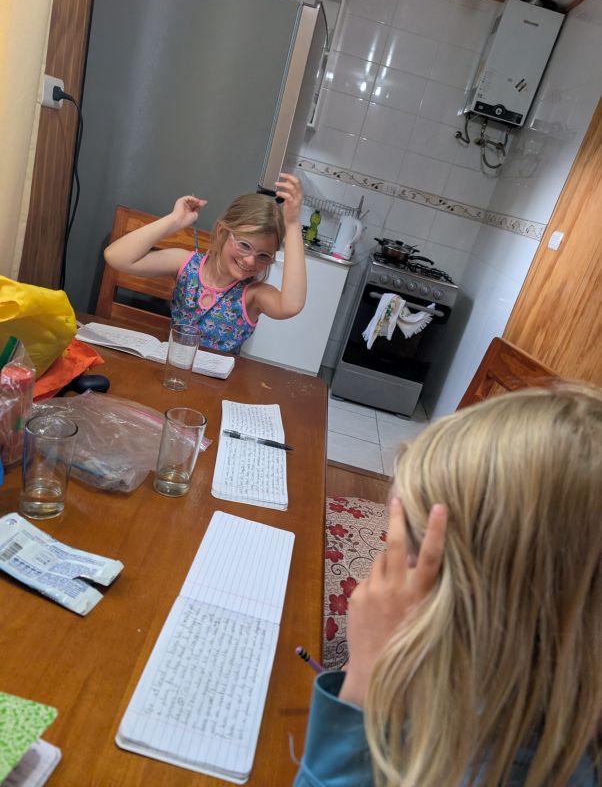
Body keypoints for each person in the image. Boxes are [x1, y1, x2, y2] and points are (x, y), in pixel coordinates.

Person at [295, 383, 602, 786]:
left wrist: (362, 691)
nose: (388, 576)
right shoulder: (494, 669)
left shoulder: (507, 765)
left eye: (411, 552)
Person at [104, 173, 305, 353]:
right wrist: (174, 220)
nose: (250, 260)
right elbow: (116, 257)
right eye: (244, 245)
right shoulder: (186, 264)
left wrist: (293, 224)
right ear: (222, 232)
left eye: (263, 256)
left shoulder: (253, 294)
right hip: (173, 371)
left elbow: (291, 305)